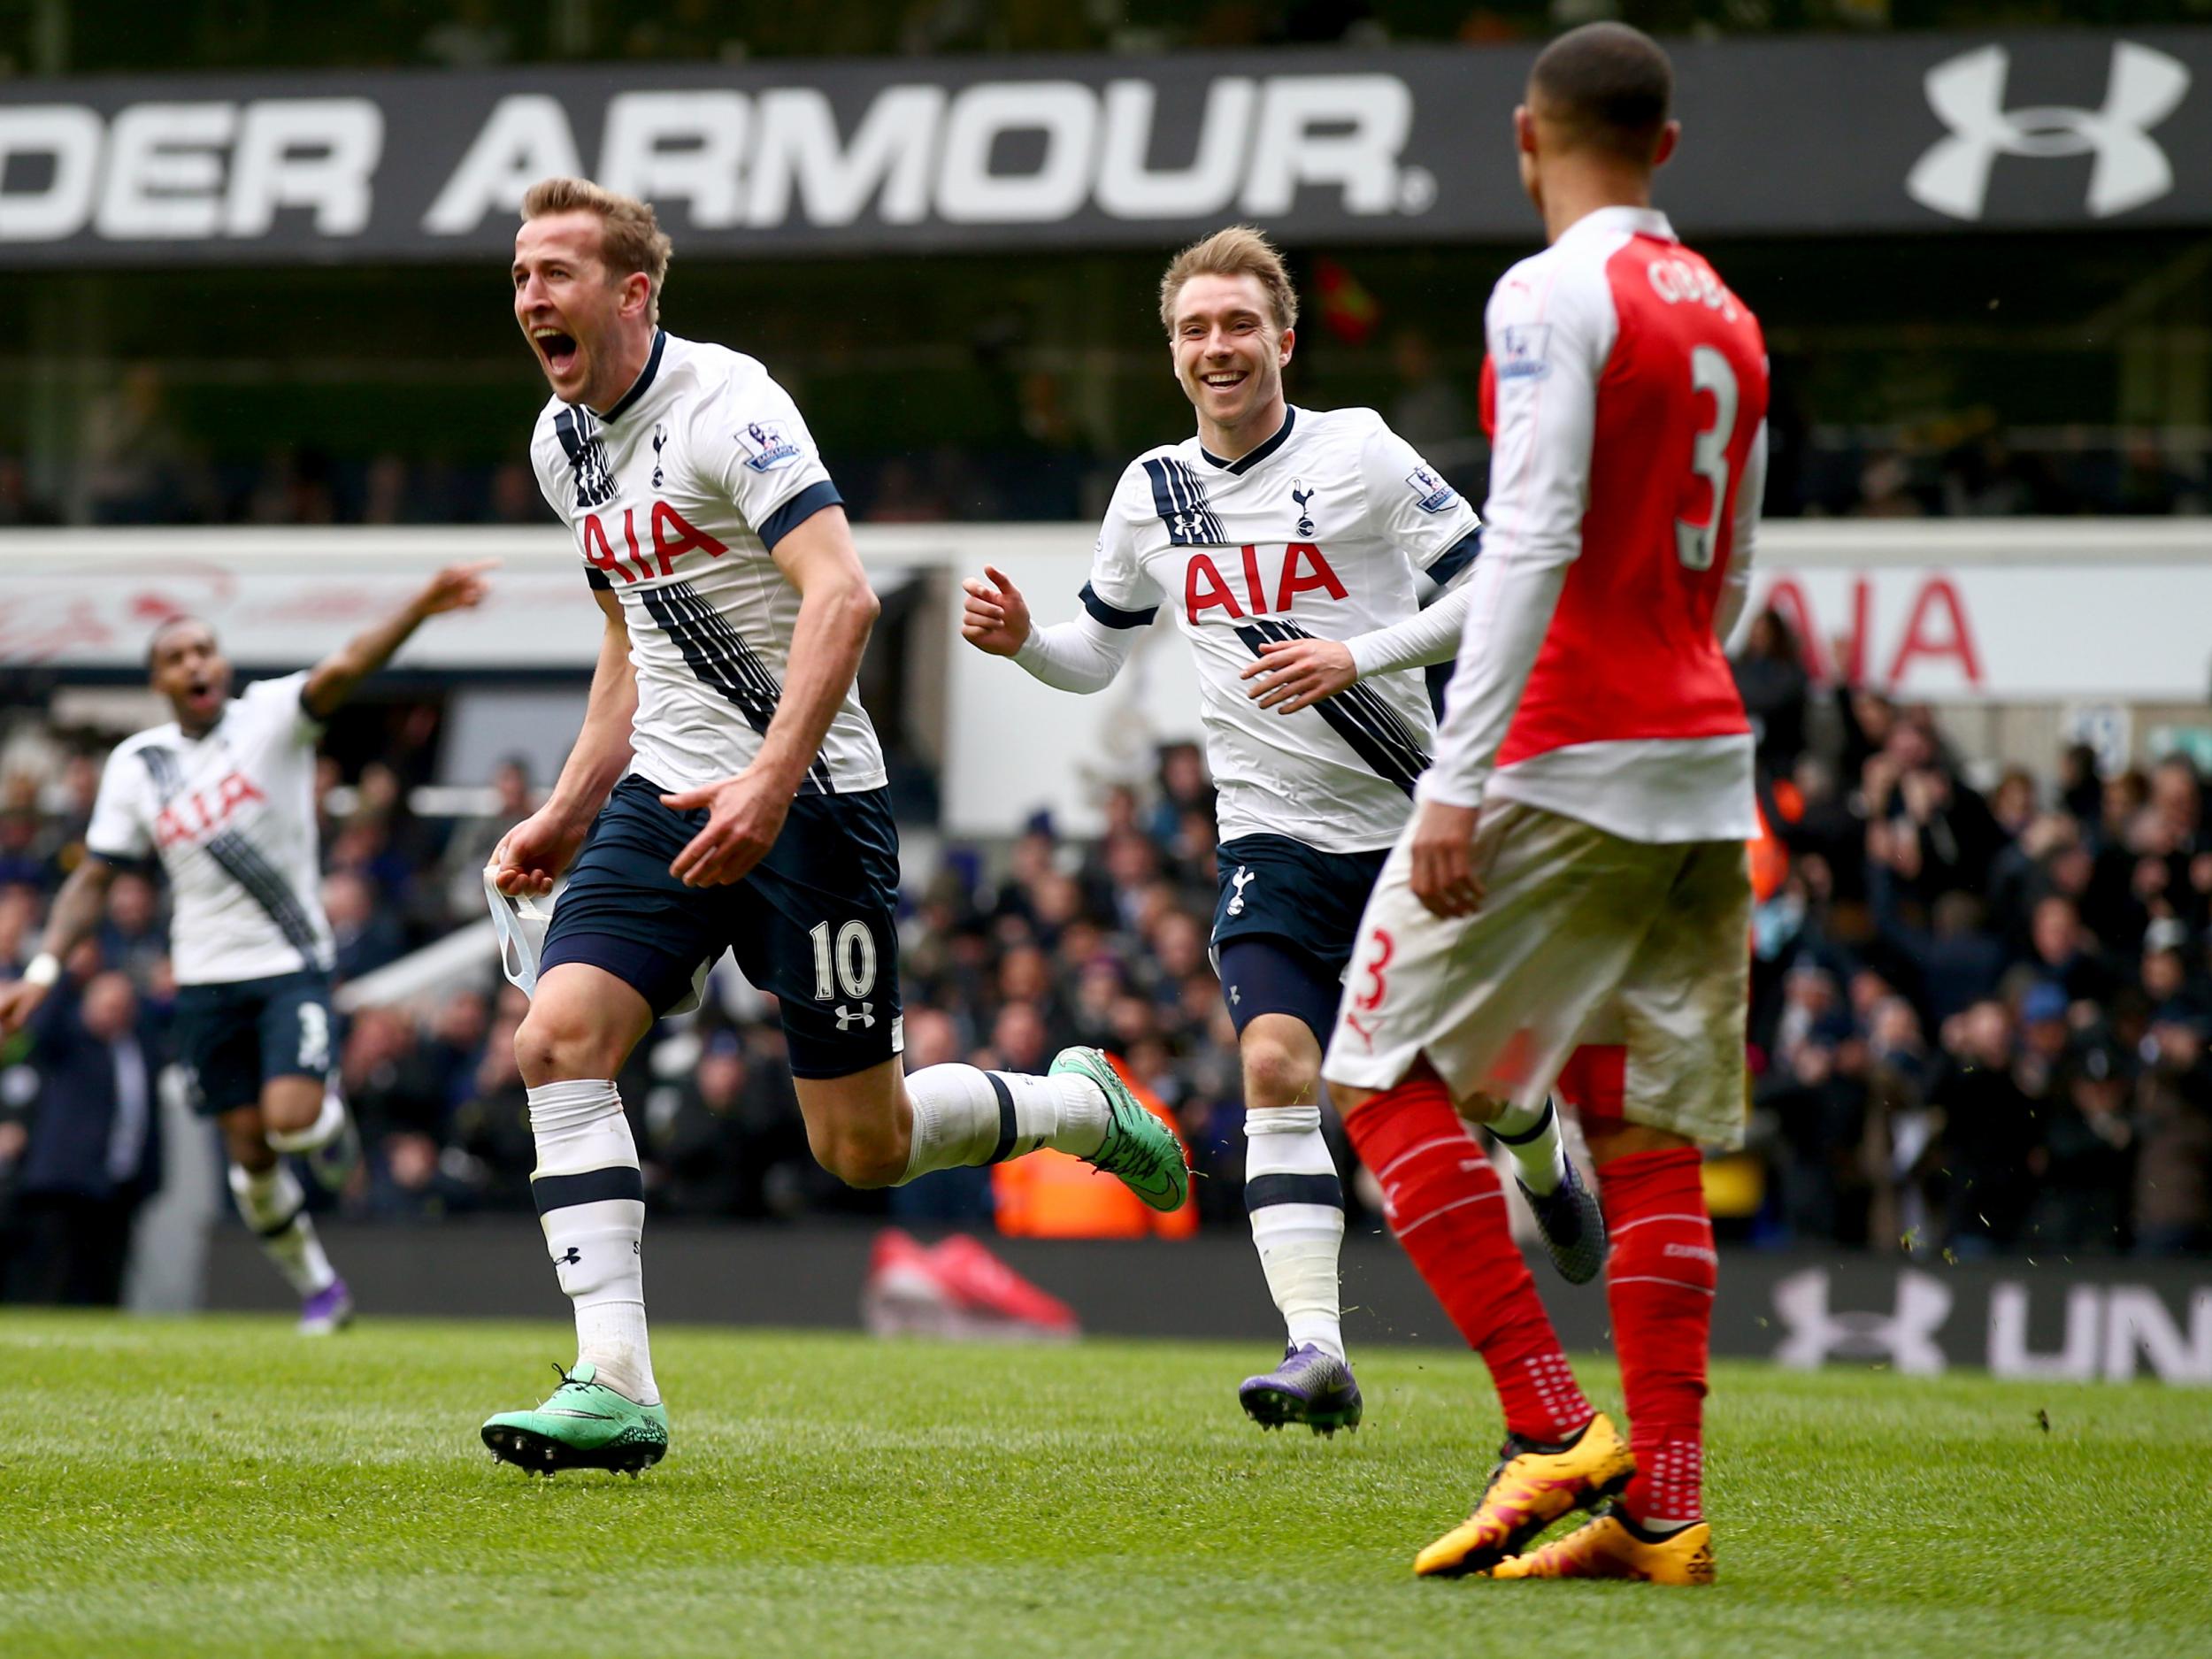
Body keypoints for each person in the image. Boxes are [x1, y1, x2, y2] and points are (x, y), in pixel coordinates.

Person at [481, 177, 1184, 1477]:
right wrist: (571, 805)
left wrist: (764, 782)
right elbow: (630, 635)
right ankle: (616, 1378)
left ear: (633, 291)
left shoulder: (730, 407)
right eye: (522, 275)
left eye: (558, 274)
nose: (532, 298)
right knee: (558, 1037)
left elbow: (845, 598)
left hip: (813, 806)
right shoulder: (557, 441)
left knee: (862, 1145)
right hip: (665, 796)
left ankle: (1074, 1105)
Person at [960, 225, 1595, 1435]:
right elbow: (1096, 653)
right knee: (1277, 1066)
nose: (1217, 346)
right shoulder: (1152, 490)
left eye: (1238, 324)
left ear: (1285, 339)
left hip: (1415, 829)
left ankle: (1542, 1159)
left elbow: (1496, 583)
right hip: (1270, 841)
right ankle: (1317, 1347)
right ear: (1173, 351)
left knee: (1487, 1083)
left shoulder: (1358, 452)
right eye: (1195, 329)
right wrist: (1025, 641)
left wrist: (1360, 650)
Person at [1318, 23, 1769, 1585]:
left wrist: (1456, 781)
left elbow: (1531, 538)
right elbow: (1739, 572)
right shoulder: (1727, 315)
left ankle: (1549, 1424)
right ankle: (1665, 1509)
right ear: (1669, 144)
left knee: (1374, 1066)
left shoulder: (1549, 291)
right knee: (1642, 1132)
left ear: (1529, 135)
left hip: (1565, 756)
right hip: (1705, 763)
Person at [0, 564, 491, 1333]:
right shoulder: (141, 764)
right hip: (204, 982)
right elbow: (95, 879)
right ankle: (320, 1288)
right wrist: (42, 967)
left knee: (292, 1119)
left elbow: (347, 663)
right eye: (178, 656)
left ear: (221, 665)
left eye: (206, 649)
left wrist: (420, 608)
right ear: (159, 679)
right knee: (250, 1153)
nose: (196, 663)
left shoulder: (270, 715)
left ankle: (331, 1129)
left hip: (290, 964)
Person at [2, 971, 161, 1306]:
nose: (113, 1013)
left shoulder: (138, 1045)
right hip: (64, 1180)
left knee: (105, 1283)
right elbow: (42, 1020)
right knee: (52, 1278)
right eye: (107, 1005)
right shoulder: (68, 1039)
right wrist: (58, 970)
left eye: (122, 1006)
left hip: (119, 1181)